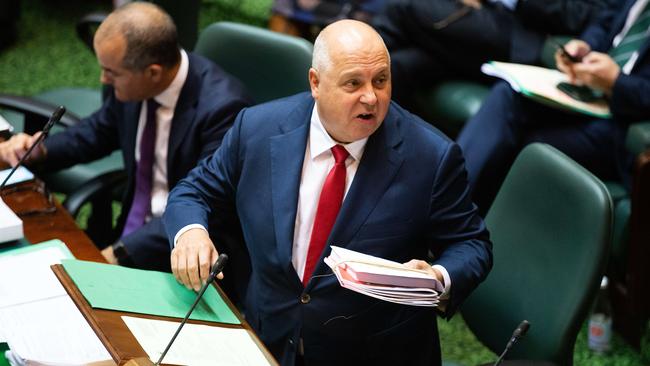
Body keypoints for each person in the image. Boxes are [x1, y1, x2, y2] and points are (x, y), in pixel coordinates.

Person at [164, 19, 492, 365]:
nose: (371, 97)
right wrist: (191, 233)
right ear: (315, 83)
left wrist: (438, 277)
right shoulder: (256, 129)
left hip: (370, 354)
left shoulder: (431, 156)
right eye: (354, 83)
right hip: (268, 339)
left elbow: (472, 244)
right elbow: (194, 191)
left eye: (381, 80)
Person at [0, 2, 251, 271]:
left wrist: (118, 253)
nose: (103, 79)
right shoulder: (133, 84)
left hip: (188, 253)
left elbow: (207, 204)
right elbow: (99, 130)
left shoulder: (223, 110)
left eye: (111, 72)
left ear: (153, 73)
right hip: (131, 231)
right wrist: (42, 150)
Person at [456, 0, 650, 214]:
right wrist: (583, 47)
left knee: (534, 145)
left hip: (624, 124)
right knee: (507, 93)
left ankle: (467, 230)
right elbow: (605, 21)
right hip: (588, 92)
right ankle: (445, 205)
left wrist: (616, 82)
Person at [373, 0, 613, 107]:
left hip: (519, 37)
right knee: (401, 67)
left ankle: (345, 60)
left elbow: (586, 14)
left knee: (403, 6)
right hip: (480, 17)